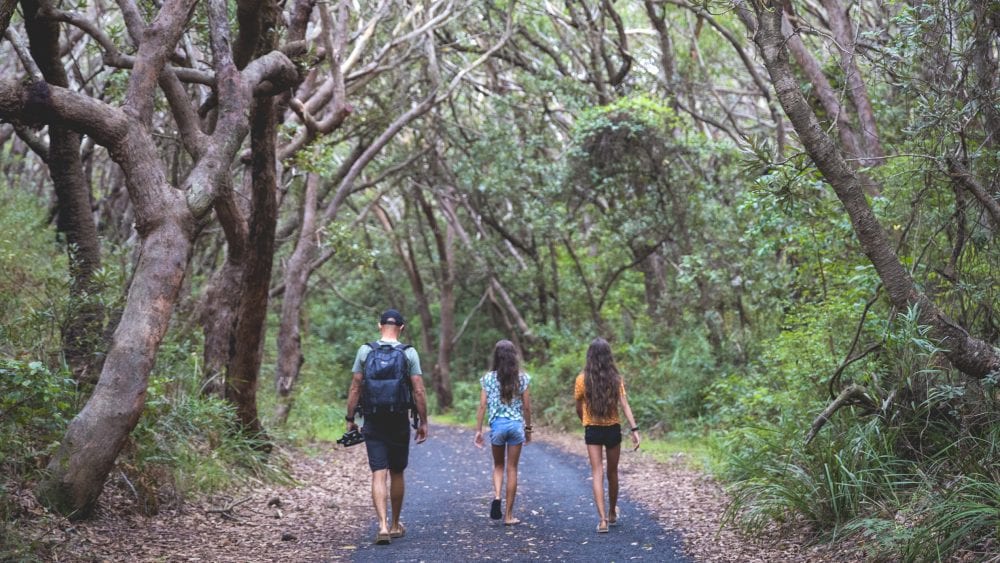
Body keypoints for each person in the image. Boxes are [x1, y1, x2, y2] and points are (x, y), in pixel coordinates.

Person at [345, 309, 429, 545]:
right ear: (401, 328)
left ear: (379, 325)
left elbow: (355, 388)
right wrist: (423, 421)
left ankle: (381, 525)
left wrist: (350, 418)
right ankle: (394, 524)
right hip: (399, 419)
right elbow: (419, 390)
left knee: (378, 472)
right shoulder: (408, 353)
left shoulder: (365, 351)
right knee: (397, 471)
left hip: (373, 419)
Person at [574, 337, 640, 533]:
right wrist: (634, 429)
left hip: (592, 429)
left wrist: (585, 421)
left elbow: (578, 407)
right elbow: (625, 405)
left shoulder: (581, 379)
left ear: (590, 357)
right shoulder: (616, 379)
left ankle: (602, 520)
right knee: (612, 472)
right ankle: (612, 512)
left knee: (597, 472)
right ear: (608, 356)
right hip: (613, 429)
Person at [474, 339, 532, 526]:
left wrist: (478, 430)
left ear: (496, 357)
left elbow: (483, 406)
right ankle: (508, 516)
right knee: (512, 469)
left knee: (498, 465)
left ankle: (497, 496)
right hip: (515, 427)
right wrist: (528, 429)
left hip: (497, 427)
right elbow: (527, 407)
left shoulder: (488, 379)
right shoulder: (522, 378)